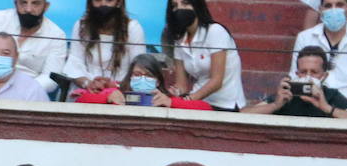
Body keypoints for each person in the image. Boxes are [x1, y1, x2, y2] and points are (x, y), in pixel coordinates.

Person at [291, 0, 347, 114]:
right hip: (311, 103)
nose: (334, 10)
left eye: (339, 5)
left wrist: (335, 107)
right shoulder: (304, 38)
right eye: (328, 6)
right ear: (320, 10)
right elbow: (295, 77)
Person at [162, 0, 244, 111]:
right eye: (174, 6)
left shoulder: (215, 31)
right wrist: (175, 93)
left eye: (185, 3)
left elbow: (217, 81)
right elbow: (181, 85)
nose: (180, 8)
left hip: (225, 103)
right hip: (199, 101)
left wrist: (189, 100)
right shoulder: (180, 40)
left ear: (197, 5)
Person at [243, 45, 347, 118]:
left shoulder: (331, 95)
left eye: (314, 72)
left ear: (324, 76)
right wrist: (275, 105)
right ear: (296, 74)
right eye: (303, 72)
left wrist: (326, 107)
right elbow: (243, 114)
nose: (308, 77)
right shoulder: (287, 94)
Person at [75, 52, 214, 108]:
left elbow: (206, 107)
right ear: (130, 77)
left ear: (158, 81)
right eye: (136, 74)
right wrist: (106, 98)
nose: (142, 78)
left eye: (148, 75)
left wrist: (171, 102)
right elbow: (80, 100)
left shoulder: (164, 99)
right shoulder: (118, 94)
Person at [64, 0, 146, 91]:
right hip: (86, 90)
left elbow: (138, 70)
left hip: (121, 92)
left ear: (119, 2)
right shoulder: (81, 26)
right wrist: (88, 83)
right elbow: (75, 64)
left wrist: (114, 86)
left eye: (109, 0)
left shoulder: (133, 28)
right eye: (97, 0)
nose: (103, 4)